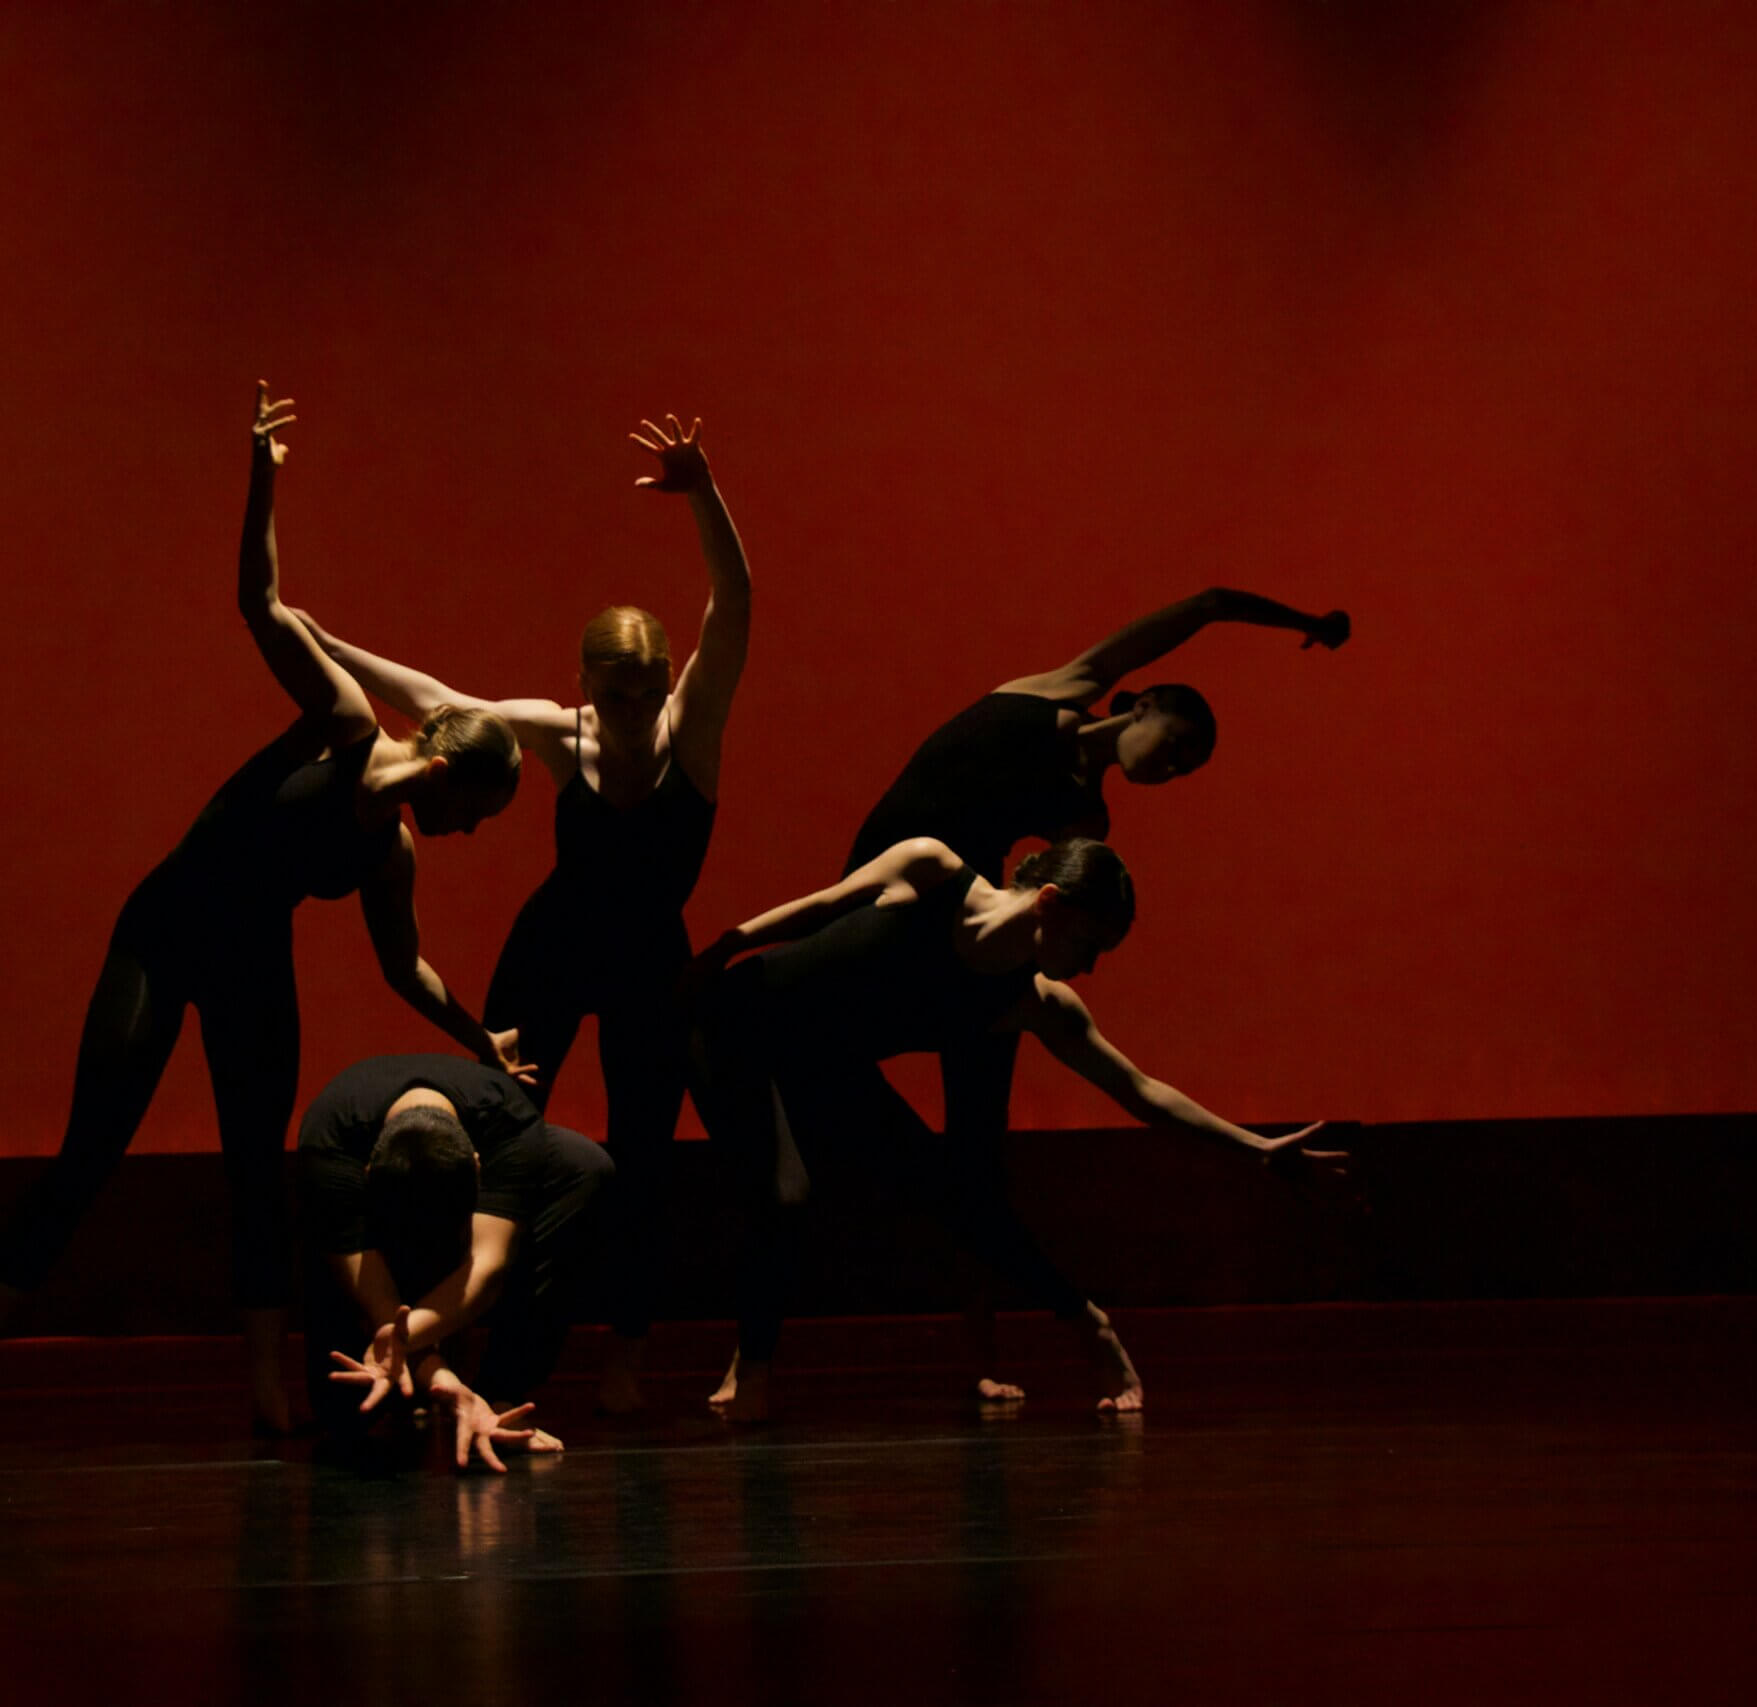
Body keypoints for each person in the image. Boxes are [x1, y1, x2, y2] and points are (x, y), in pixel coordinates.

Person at [0, 385, 530, 1446]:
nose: (468, 836)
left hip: (251, 958)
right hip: (163, 933)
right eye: (473, 814)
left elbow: (404, 970)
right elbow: (261, 603)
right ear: (440, 766)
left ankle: (263, 1386)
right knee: (91, 1151)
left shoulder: (387, 853)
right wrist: (262, 479)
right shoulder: (340, 724)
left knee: (258, 1167)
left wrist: (479, 1036)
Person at [301, 413, 751, 1414]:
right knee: (496, 1129)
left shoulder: (695, 733)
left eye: (649, 692)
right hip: (552, 947)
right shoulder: (563, 735)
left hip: (648, 965)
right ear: (584, 686)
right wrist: (323, 642)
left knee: (640, 1160)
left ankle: (625, 1357)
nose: (635, 712)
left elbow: (734, 605)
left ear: (667, 683)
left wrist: (703, 493)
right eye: (616, 694)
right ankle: (453, 1331)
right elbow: (437, 699)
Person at [845, 587, 1349, 1399]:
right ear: (1142, 702)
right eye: (1178, 743)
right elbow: (1210, 603)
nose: (1172, 767)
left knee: (978, 1153)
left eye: (1185, 768)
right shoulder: (1063, 689)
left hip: (962, 938)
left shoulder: (1085, 822)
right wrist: (1304, 623)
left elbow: (1054, 905)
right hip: (877, 897)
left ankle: (986, 1352)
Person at [688, 834, 1347, 1423]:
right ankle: (751, 1374)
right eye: (1089, 945)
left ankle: (1088, 1322)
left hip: (822, 1061)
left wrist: (1258, 1149)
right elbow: (824, 905)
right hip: (733, 1023)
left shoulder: (1031, 1001)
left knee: (953, 1194)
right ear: (1051, 902)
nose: (1089, 966)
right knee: (784, 1192)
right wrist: (725, 945)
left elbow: (1140, 1091)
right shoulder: (932, 868)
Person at [298, 1053, 612, 1470]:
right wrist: (444, 1380)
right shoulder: (330, 1142)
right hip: (373, 1231)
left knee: (584, 1165)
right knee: (346, 1412)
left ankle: (503, 1391)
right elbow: (379, 1301)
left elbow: (487, 1271)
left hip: (470, 1185)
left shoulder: (509, 1122)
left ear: (479, 1168)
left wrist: (425, 1360)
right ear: (368, 1173)